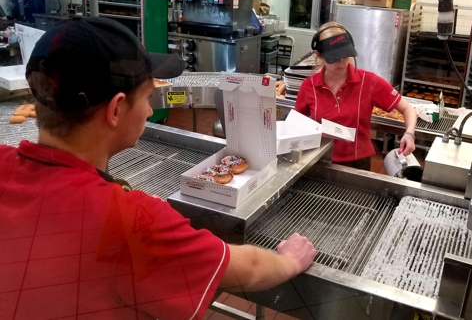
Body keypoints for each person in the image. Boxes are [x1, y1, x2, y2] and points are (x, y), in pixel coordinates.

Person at [0, 17, 316, 320]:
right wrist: (288, 260)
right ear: (115, 109)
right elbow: (247, 269)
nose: (151, 109)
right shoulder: (130, 222)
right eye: (149, 97)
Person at [295, 22, 417, 171]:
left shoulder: (368, 81)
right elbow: (297, 125)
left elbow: (407, 109)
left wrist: (409, 133)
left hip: (358, 164)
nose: (341, 62)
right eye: (334, 57)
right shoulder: (309, 87)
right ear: (319, 55)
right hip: (318, 161)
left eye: (345, 55)